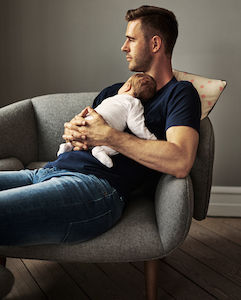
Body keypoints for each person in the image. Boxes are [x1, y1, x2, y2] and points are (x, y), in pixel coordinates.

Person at [0, 5, 201, 246]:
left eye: (131, 39)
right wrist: (73, 131)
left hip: (94, 189)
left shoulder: (179, 94)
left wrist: (107, 136)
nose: (123, 47)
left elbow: (180, 161)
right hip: (44, 173)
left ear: (155, 44)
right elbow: (84, 133)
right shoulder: (112, 92)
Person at [57, 73, 157, 168]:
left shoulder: (111, 99)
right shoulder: (134, 103)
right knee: (117, 146)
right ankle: (99, 150)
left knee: (82, 135)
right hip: (102, 127)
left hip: (87, 120)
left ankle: (67, 146)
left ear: (127, 86)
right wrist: (151, 139)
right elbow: (136, 126)